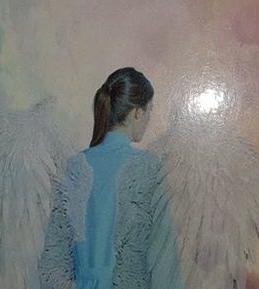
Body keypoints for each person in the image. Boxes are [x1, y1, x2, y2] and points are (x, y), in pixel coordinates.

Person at [39, 67, 181, 289]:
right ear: (137, 112)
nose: (149, 119)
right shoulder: (148, 167)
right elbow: (165, 257)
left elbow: (54, 255)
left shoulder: (74, 166)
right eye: (149, 110)